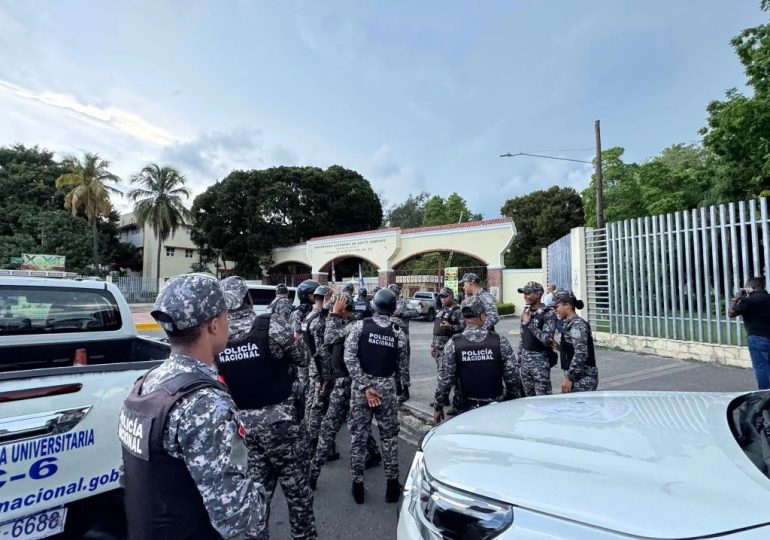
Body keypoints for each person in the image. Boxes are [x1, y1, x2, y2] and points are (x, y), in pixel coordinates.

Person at [119, 273, 265, 539]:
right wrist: (259, 491)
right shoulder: (205, 403)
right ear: (213, 326)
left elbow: (132, 477)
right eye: (226, 316)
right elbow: (236, 516)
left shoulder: (146, 384)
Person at [218, 276, 316, 540]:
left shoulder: (217, 336)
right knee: (298, 497)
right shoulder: (271, 325)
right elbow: (304, 357)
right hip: (283, 425)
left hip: (244, 430)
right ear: (248, 298)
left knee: (256, 497)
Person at [309, 294, 381, 489]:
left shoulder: (353, 325)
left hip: (349, 382)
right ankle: (374, 453)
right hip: (348, 381)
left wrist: (334, 314)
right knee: (354, 422)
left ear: (343, 308)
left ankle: (313, 474)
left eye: (336, 306)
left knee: (330, 426)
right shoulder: (350, 323)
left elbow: (330, 338)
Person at [345, 288, 407, 504]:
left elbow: (349, 358)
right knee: (389, 439)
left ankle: (358, 487)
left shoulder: (360, 326)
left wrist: (365, 386)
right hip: (386, 390)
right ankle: (392, 487)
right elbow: (402, 367)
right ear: (392, 309)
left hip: (361, 392)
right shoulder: (398, 333)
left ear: (374, 307)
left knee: (358, 438)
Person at [433, 295, 519, 424]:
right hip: (496, 407)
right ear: (483, 316)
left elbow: (445, 379)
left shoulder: (453, 343)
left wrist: (438, 406)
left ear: (463, 317)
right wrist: (512, 398)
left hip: (466, 409)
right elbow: (512, 376)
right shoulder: (499, 341)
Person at [304, 285, 335, 458]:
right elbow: (322, 350)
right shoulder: (319, 320)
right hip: (320, 368)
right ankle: (315, 444)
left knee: (312, 402)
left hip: (312, 366)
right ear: (325, 298)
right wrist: (327, 376)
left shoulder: (309, 316)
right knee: (319, 405)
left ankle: (310, 437)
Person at [553, 289, 598, 393]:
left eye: (556, 307)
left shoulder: (577, 325)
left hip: (583, 378)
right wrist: (558, 346)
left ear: (567, 305)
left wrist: (569, 378)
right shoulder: (569, 323)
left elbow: (581, 353)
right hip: (577, 376)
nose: (555, 310)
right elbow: (573, 348)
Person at [729, 277, 770, 389]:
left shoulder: (748, 301)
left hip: (757, 338)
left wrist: (736, 298)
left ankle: (765, 393)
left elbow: (731, 313)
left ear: (750, 288)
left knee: (761, 367)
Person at [518, 281, 557, 396]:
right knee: (528, 397)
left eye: (528, 293)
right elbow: (523, 336)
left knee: (543, 397)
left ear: (538, 294)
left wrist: (529, 324)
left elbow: (547, 339)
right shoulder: (526, 311)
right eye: (524, 293)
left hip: (540, 361)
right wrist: (519, 360)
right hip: (525, 361)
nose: (525, 296)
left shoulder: (548, 313)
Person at [430, 287, 465, 414]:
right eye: (441, 296)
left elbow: (463, 328)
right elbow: (436, 330)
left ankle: (457, 404)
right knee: (442, 376)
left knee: (453, 377)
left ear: (451, 296)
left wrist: (450, 327)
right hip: (439, 348)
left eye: (445, 296)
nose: (443, 298)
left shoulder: (458, 311)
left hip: (450, 349)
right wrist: (433, 345)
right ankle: (443, 399)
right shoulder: (441, 310)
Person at [388, 283, 419, 402]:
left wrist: (401, 313)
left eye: (393, 291)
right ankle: (398, 389)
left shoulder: (404, 303)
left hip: (402, 339)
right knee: (392, 365)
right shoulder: (387, 303)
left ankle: (405, 391)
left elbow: (415, 312)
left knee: (403, 366)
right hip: (389, 339)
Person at [290, 279, 321, 389]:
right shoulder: (298, 313)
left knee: (315, 381)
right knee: (304, 381)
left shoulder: (316, 310)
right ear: (305, 295)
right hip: (303, 352)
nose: (316, 297)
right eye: (313, 294)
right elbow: (296, 334)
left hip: (314, 351)